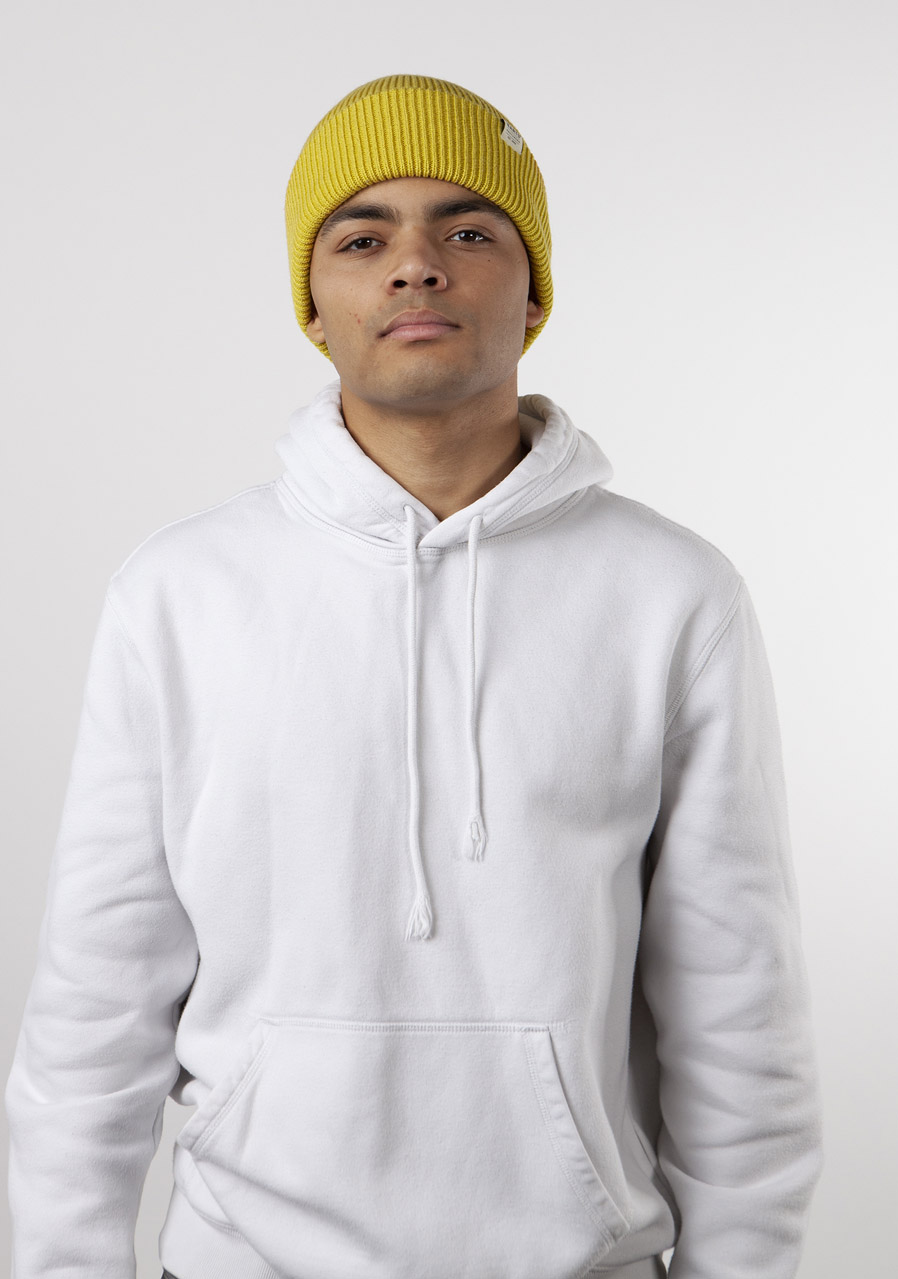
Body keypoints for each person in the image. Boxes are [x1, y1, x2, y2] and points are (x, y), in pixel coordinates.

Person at [5, 74, 823, 1279]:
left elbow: (736, 1016)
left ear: (533, 293)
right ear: (312, 304)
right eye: (362, 236)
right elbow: (94, 1010)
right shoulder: (180, 592)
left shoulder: (670, 595)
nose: (416, 266)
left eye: (469, 231)